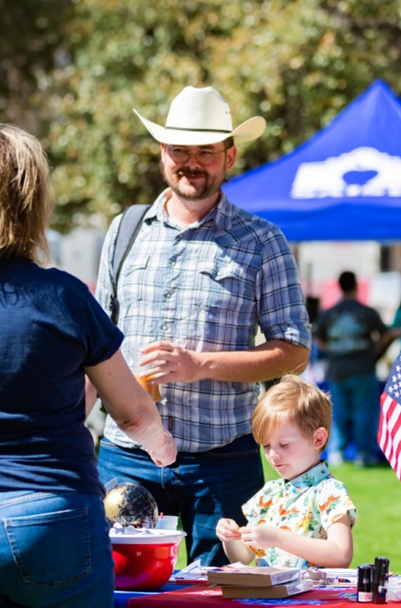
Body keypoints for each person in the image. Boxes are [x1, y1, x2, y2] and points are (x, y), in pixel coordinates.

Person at [0, 123, 177, 608]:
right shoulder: (64, 297)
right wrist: (163, 447)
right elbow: (133, 412)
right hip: (48, 514)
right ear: (33, 202)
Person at [92, 86, 311, 567]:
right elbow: (95, 341)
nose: (191, 163)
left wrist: (199, 365)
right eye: (179, 151)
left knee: (221, 606)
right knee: (113, 599)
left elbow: (294, 350)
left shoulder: (262, 240)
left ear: (228, 157)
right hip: (126, 454)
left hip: (221, 461)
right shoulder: (125, 230)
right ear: (162, 155)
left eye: (205, 152)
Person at [216, 375, 357, 569]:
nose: (273, 455)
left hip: (312, 598)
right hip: (269, 597)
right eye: (266, 446)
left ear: (318, 439)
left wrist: (278, 538)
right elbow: (242, 557)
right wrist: (230, 537)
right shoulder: (270, 493)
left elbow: (341, 555)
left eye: (284, 444)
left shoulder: (328, 491)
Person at [313, 271, 389, 467]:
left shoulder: (329, 313)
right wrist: (374, 353)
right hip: (363, 369)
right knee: (364, 414)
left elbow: (317, 337)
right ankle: (364, 455)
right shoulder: (367, 312)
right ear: (356, 285)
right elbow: (386, 334)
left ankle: (337, 454)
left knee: (338, 414)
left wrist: (332, 350)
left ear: (339, 286)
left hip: (337, 370)